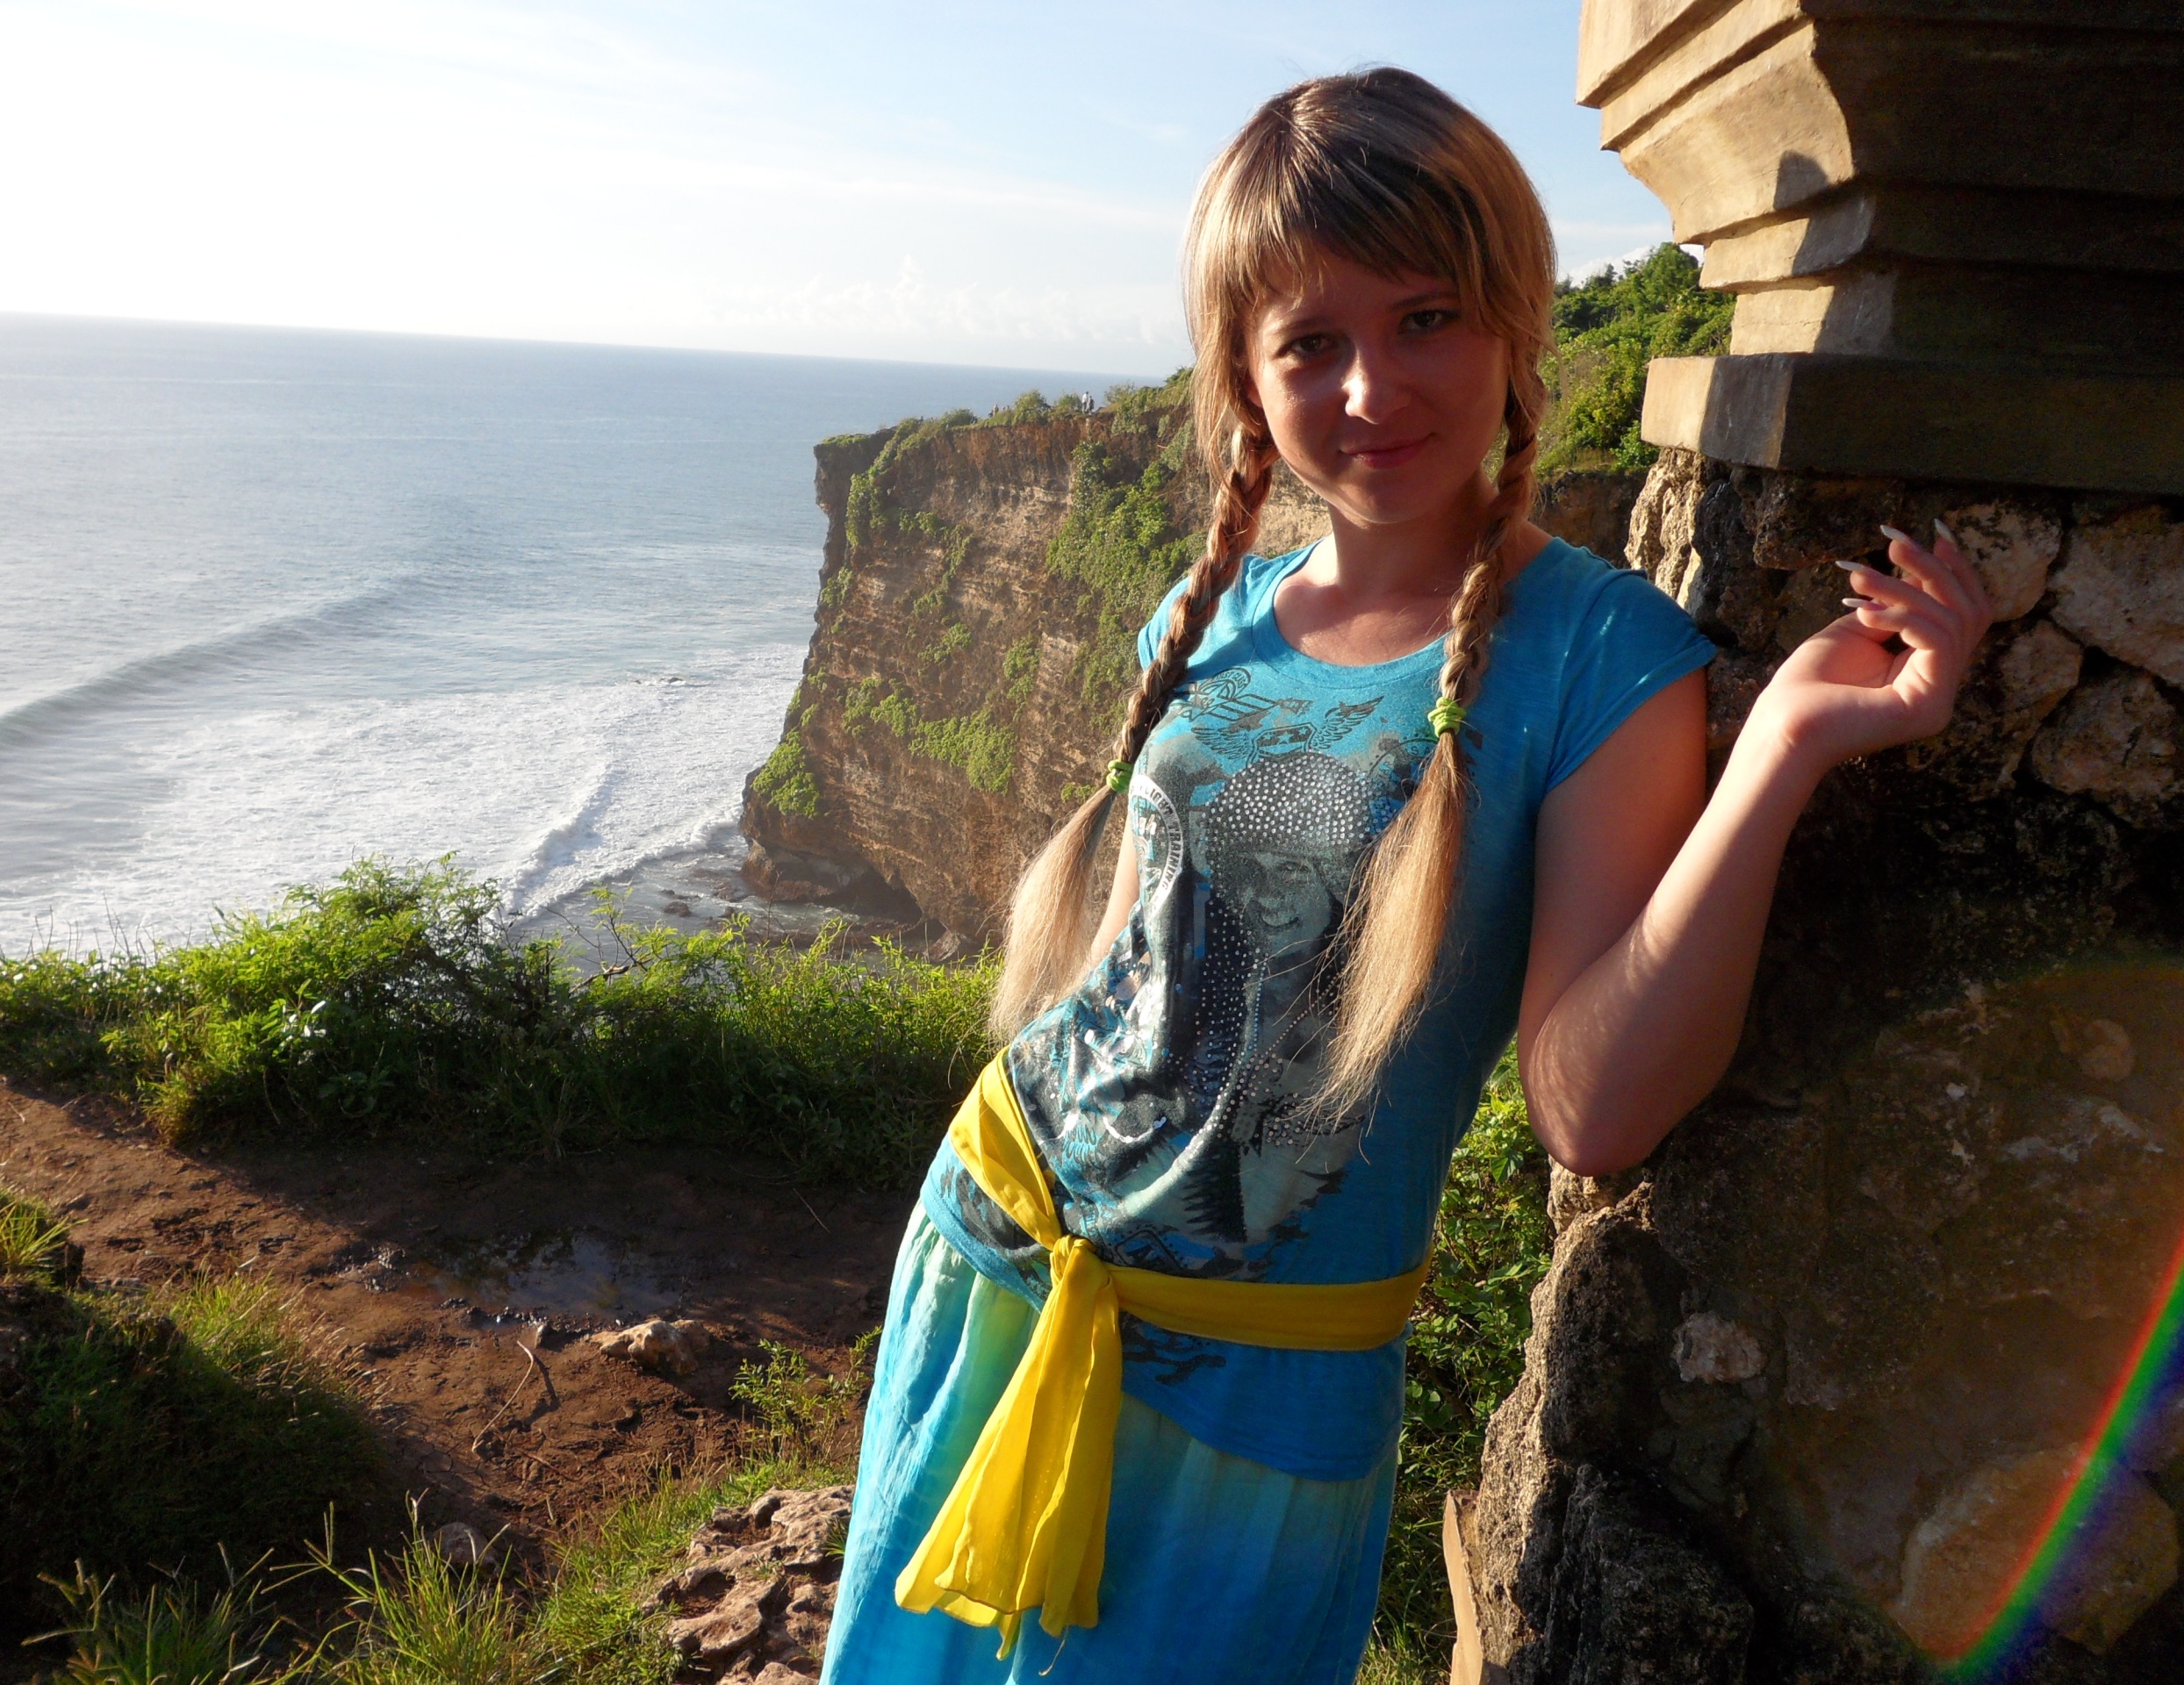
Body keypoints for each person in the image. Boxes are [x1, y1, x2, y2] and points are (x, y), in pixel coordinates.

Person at [819, 67, 1993, 1685]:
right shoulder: (1212, 612)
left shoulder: (1599, 655)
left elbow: (1592, 1110)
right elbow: (1135, 977)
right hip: (994, 1256)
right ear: (1245, 379)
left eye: (1426, 317)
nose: (1372, 386)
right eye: (1310, 342)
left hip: (1259, 1387)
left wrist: (1779, 752)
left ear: (1513, 320)